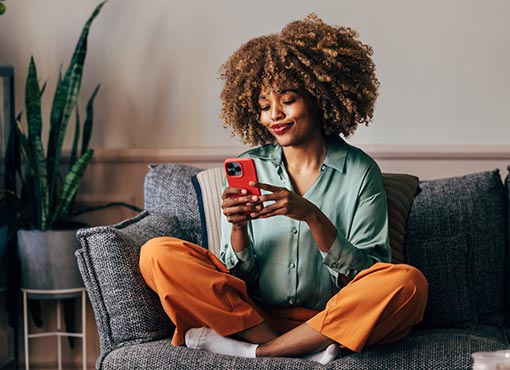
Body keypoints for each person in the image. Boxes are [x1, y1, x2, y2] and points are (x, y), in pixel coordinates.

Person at [139, 14, 428, 364]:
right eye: (264, 106)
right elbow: (234, 279)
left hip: (331, 319)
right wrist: (238, 228)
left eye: (287, 100)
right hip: (254, 317)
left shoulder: (359, 171)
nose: (274, 115)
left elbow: (369, 274)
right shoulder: (251, 166)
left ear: (319, 98)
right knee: (157, 253)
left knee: (407, 283)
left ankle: (262, 353)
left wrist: (310, 215)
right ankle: (298, 351)